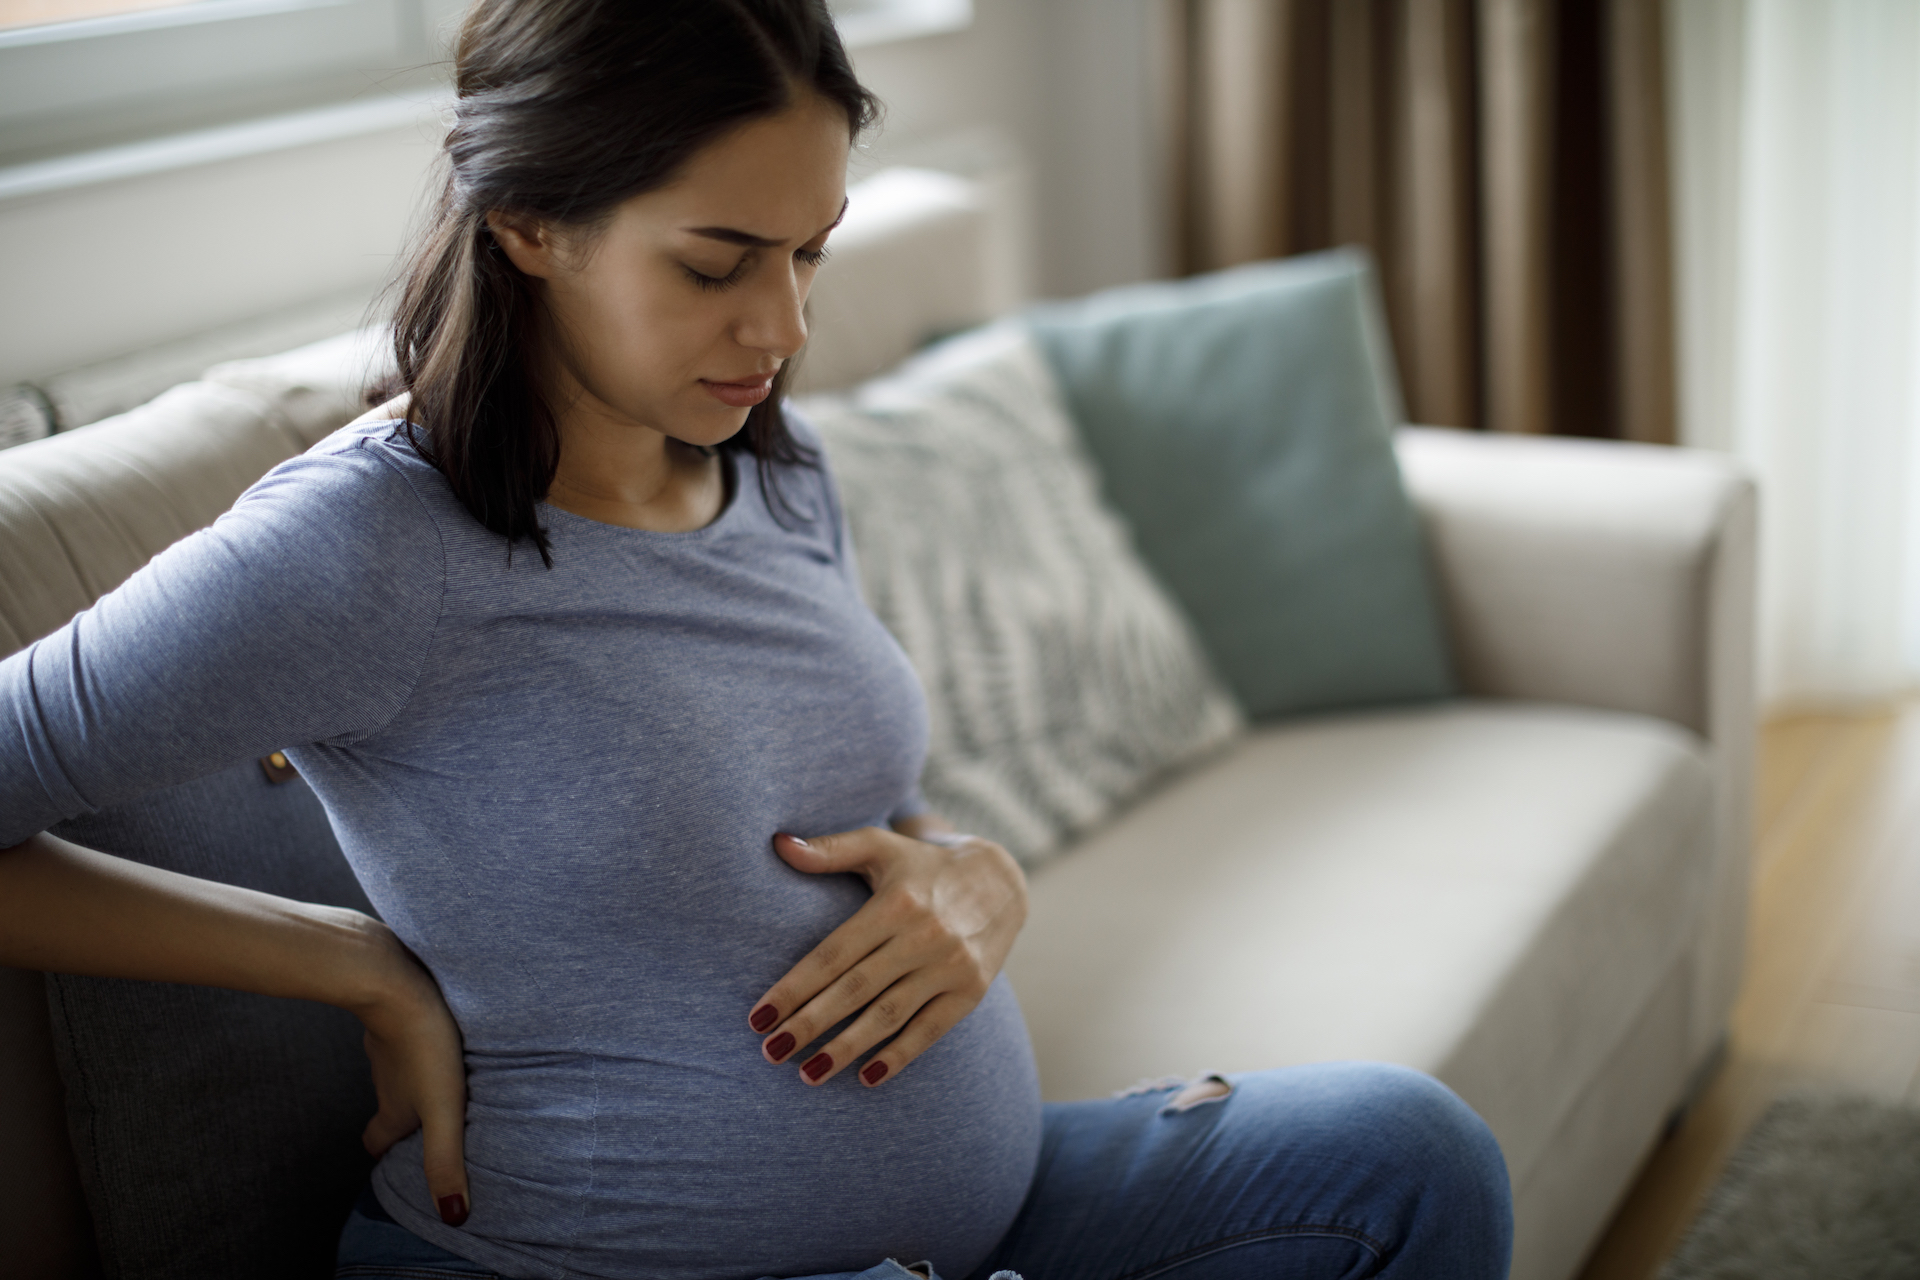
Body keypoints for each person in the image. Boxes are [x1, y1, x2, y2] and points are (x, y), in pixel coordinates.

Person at [0, 2, 1514, 1277]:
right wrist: (356, 967)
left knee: (1407, 1160)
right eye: (717, 264)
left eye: (812, 255)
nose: (783, 327)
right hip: (575, 1254)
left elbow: (854, 807)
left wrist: (968, 877)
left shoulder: (772, 468)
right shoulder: (365, 544)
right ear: (529, 221)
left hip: (969, 1215)